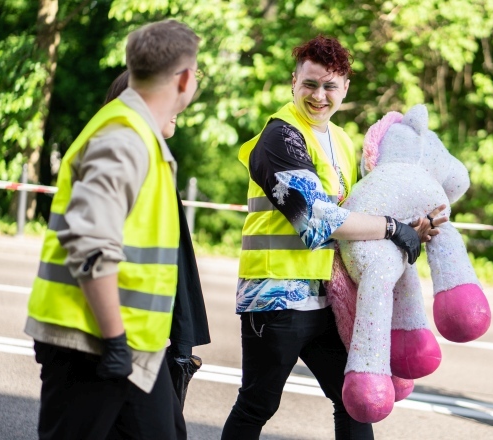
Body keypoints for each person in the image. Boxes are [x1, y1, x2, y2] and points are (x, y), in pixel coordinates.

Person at [221, 35, 447, 440]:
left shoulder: (341, 140)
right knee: (258, 405)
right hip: (275, 296)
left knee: (355, 404)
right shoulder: (280, 137)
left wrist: (410, 229)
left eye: (330, 86)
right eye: (310, 84)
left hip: (331, 297)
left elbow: (361, 214)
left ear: (345, 88)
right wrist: (392, 229)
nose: (319, 95)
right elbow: (318, 220)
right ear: (293, 82)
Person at [24, 20, 202, 440]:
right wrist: (116, 340)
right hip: (93, 342)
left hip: (129, 346)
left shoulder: (138, 133)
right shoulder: (123, 135)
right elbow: (88, 242)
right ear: (184, 78)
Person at [104, 69, 211, 408]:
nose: (178, 106)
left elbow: (174, 267)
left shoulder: (156, 161)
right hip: (121, 341)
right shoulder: (127, 160)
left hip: (142, 340)